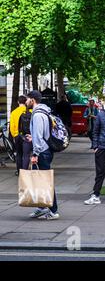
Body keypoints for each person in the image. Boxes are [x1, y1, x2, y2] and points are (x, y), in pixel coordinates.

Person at [26, 90, 60, 220]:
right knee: (40, 181)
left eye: (28, 99)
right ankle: (41, 207)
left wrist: (35, 153)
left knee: (45, 181)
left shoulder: (37, 115)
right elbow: (40, 135)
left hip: (42, 152)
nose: (26, 102)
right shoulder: (43, 112)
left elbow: (40, 136)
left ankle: (53, 210)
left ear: (32, 100)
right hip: (44, 150)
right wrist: (33, 138)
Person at [9, 96, 27, 175]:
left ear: (18, 102)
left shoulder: (14, 112)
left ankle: (19, 171)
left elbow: (12, 127)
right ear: (26, 102)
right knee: (26, 154)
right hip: (27, 136)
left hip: (17, 136)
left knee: (19, 154)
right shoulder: (29, 110)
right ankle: (25, 170)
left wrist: (14, 135)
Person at [18, 106, 33, 171]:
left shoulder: (22, 115)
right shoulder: (35, 114)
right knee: (37, 156)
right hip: (34, 137)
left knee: (25, 156)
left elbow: (19, 128)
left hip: (25, 137)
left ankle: (24, 172)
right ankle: (36, 173)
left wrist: (22, 136)